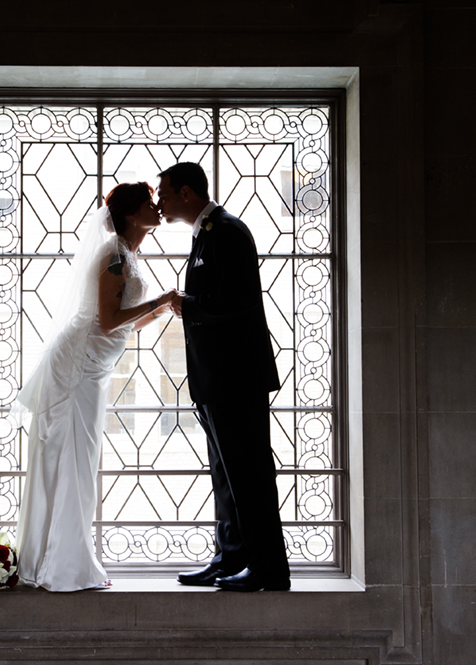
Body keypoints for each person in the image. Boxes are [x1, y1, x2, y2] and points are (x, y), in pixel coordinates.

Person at [15, 182, 175, 592]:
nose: (156, 209)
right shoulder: (114, 256)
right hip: (77, 366)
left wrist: (162, 310)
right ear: (129, 214)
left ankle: (60, 558)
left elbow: (127, 321)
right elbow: (106, 321)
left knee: (80, 459)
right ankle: (64, 566)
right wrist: (159, 301)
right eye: (148, 204)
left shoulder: (128, 255)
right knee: (73, 459)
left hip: (94, 365)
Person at [158, 162, 290, 592]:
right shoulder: (208, 232)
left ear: (185, 193)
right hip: (217, 380)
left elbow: (238, 300)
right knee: (226, 475)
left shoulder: (227, 231)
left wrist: (187, 304)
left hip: (237, 379)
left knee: (249, 474)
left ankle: (268, 567)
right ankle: (231, 556)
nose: (159, 202)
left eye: (163, 193)